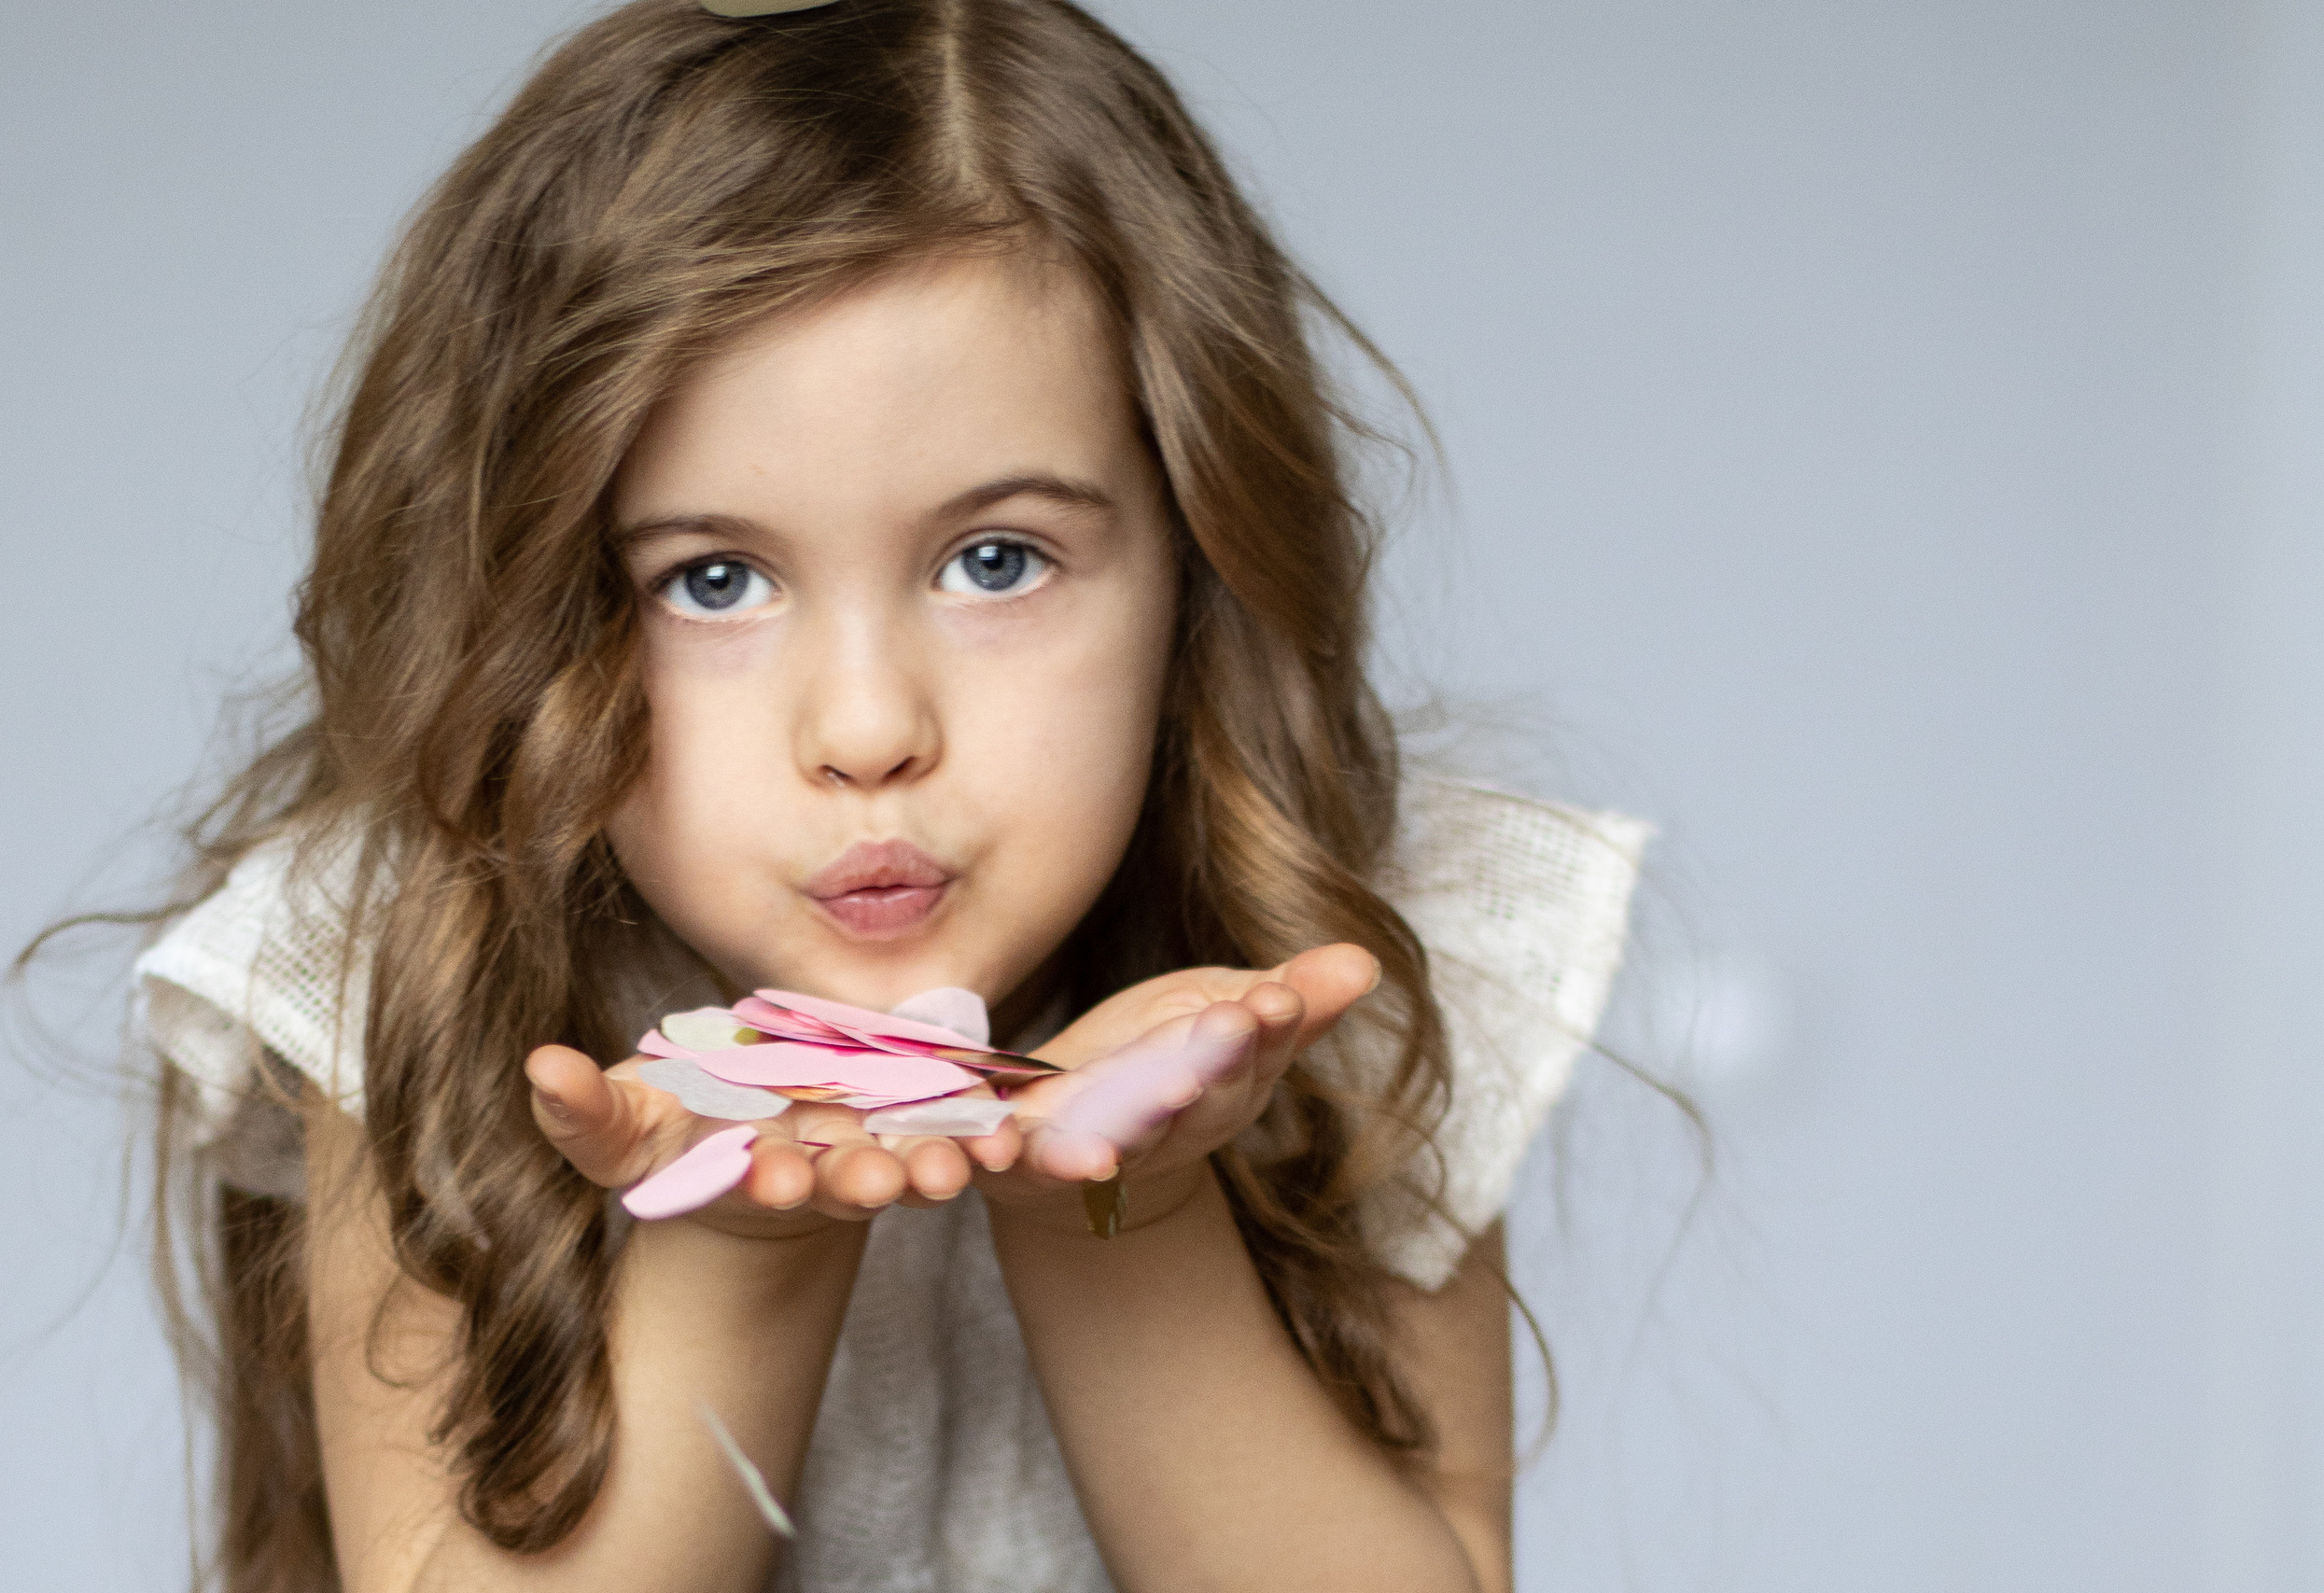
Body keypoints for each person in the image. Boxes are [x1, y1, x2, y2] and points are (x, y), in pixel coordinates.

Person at [127, 2, 1647, 1588]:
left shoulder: (1338, 973)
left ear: (1195, 570)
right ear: (535, 615)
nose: (866, 729)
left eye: (996, 561)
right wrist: (745, 1225)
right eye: (711, 580)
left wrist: (1121, 1197)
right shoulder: (420, 971)